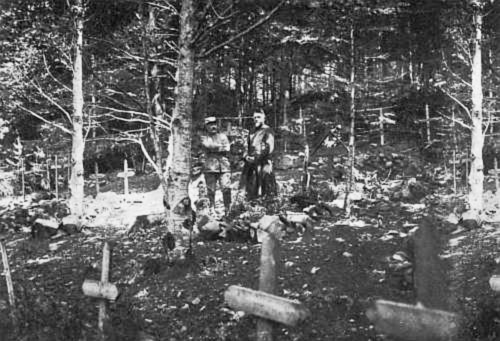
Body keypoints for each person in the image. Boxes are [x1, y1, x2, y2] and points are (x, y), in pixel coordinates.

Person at [240, 110, 277, 199]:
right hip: (251, 163)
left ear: (264, 118)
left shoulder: (267, 130)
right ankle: (252, 206)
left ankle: (268, 205)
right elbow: (246, 145)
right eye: (255, 118)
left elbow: (269, 148)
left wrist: (257, 157)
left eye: (258, 117)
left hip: (263, 162)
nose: (256, 119)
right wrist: (246, 156)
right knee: (251, 186)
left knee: (266, 185)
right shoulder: (252, 131)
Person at [200, 116, 232, 216]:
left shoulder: (223, 136)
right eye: (210, 125)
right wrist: (218, 146)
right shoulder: (203, 137)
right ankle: (212, 209)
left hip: (224, 166)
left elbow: (227, 148)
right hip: (210, 167)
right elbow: (208, 146)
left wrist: (215, 147)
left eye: (214, 124)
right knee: (211, 190)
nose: (213, 126)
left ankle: (228, 209)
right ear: (206, 127)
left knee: (226, 188)